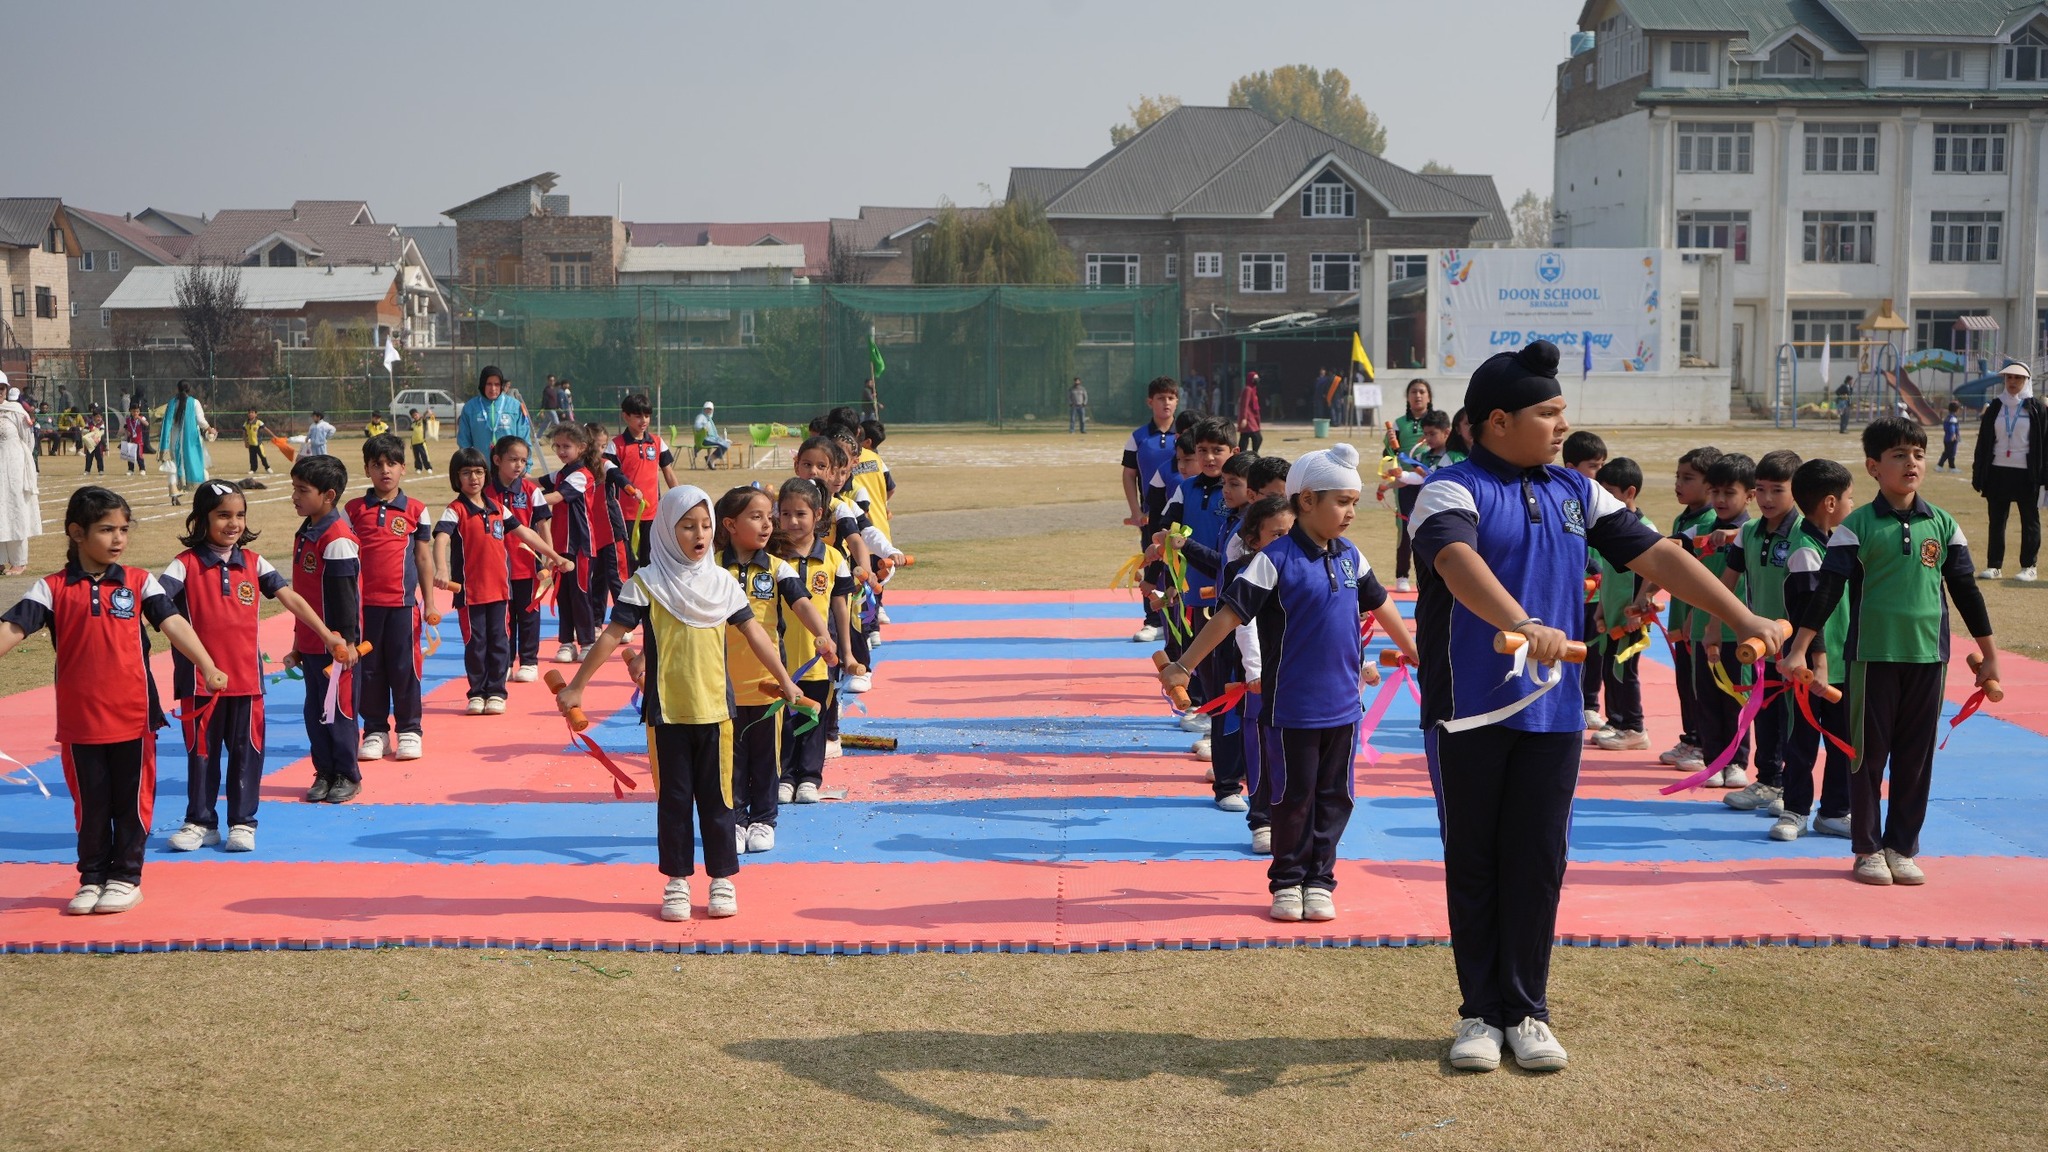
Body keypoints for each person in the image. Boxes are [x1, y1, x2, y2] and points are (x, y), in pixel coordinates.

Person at [1407, 340, 1778, 1074]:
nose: (1560, 426)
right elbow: (1458, 563)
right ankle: (1481, 1013)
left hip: (1554, 713)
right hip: (1471, 712)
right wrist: (1524, 621)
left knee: (1540, 860)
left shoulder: (1577, 490)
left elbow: (1658, 556)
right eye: (1547, 414)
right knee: (1475, 861)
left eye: (1561, 413)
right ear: (1498, 421)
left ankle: (1528, 1011)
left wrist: (1743, 618)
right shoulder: (1448, 488)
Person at [1163, 443, 1420, 923]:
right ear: (1306, 501)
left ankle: (1320, 880)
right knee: (1291, 797)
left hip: (1344, 708)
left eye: (1354, 503)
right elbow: (1229, 615)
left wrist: (1414, 648)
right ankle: (1287, 881)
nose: (1350, 513)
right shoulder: (1274, 558)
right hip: (1289, 709)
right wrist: (1185, 665)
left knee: (1335, 797)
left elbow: (1382, 603)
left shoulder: (1351, 556)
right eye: (1341, 502)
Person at [555, 486, 805, 921]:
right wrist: (577, 686)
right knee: (673, 802)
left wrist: (785, 680)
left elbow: (756, 634)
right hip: (666, 714)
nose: (699, 534)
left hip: (717, 714)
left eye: (706, 526)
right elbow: (612, 636)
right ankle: (677, 882)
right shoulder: (646, 585)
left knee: (719, 800)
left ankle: (722, 880)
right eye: (688, 526)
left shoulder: (722, 584)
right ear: (668, 532)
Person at [1783, 417, 2000, 886]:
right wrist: (1800, 649)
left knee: (1916, 758)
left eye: (1919, 454)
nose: (1912, 463)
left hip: (1928, 658)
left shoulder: (1943, 524)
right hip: (1872, 657)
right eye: (1900, 455)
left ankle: (1902, 846)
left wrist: (1990, 657)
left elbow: (1965, 592)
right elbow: (1827, 592)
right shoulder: (1854, 527)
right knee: (1867, 756)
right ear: (1874, 466)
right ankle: (1866, 849)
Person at [0, 487, 229, 915]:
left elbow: (174, 622)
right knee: (90, 806)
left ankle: (126, 877)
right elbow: (12, 630)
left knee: (130, 802)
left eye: (123, 529)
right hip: (79, 722)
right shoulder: (50, 588)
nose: (118, 538)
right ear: (76, 532)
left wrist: (206, 664)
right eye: (106, 529)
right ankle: (91, 878)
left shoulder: (141, 581)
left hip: (133, 718)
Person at [161, 480, 342, 855]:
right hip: (200, 685)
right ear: (202, 519)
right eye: (223, 515)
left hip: (247, 682)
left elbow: (291, 597)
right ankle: (200, 822)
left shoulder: (254, 562)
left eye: (240, 515)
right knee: (202, 756)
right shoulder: (185, 564)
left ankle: (242, 823)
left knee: (247, 755)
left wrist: (327, 635)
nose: (233, 523)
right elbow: (156, 606)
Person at [718, 484, 839, 850]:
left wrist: (823, 635)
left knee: (766, 758)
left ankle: (764, 819)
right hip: (720, 683)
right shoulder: (712, 566)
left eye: (769, 517)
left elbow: (803, 603)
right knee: (730, 757)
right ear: (730, 524)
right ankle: (736, 820)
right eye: (756, 517)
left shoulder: (776, 567)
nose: (768, 524)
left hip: (768, 682)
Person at [436, 447, 570, 715]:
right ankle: (477, 692)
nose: (473, 478)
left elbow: (526, 534)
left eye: (478, 472)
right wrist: (441, 569)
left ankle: (496, 691)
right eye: (466, 473)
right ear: (456, 477)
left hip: (500, 592)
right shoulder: (455, 510)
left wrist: (555, 556)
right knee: (476, 644)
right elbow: (440, 539)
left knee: (499, 642)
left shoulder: (499, 509)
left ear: (486, 474)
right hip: (471, 594)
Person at [1771, 457, 1856, 843]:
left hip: (1843, 661)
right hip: (1809, 666)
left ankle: (1836, 811)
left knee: (1843, 742)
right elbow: (1809, 610)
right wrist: (1816, 661)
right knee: (1802, 740)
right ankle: (1795, 810)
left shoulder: (1838, 544)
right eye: (1849, 498)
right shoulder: (1805, 548)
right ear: (1830, 503)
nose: (1853, 505)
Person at [1717, 449, 1803, 809]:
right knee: (1763, 711)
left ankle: (1792, 787)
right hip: (1759, 644)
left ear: (1796, 491)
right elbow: (1728, 581)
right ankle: (1767, 780)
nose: (1767, 499)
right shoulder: (1748, 532)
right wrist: (1712, 627)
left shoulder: (1804, 532)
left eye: (1777, 490)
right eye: (1761, 490)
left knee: (1794, 718)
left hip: (1797, 644)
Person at [346, 435, 435, 762]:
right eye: (377, 465)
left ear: (403, 468)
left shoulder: (417, 510)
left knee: (404, 668)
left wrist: (430, 603)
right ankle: (375, 731)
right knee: (369, 670)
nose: (385, 470)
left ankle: (410, 730)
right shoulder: (353, 510)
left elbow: (423, 559)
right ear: (367, 469)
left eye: (391, 464)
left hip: (402, 607)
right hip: (365, 610)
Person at [286, 454, 364, 804]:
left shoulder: (337, 539)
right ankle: (324, 770)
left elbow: (345, 597)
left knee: (340, 711)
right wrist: (299, 642)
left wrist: (345, 642)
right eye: (294, 489)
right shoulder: (307, 531)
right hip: (312, 642)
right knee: (316, 711)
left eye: (302, 490)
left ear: (328, 496)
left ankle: (347, 773)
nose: (295, 496)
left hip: (336, 646)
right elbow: (305, 595)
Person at [1683, 452, 1756, 787]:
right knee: (1707, 698)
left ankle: (1737, 761)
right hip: (1702, 629)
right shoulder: (1700, 530)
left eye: (1730, 493)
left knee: (1736, 699)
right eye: (1715, 492)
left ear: (1749, 495)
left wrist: (1732, 537)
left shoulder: (1754, 533)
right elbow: (1673, 557)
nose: (1721, 500)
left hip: (1738, 634)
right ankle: (1712, 762)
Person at [1587, 459, 1656, 752]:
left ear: (1630, 492)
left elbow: (1652, 575)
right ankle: (1616, 720)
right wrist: (1601, 609)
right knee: (1609, 670)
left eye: (1610, 491)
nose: (1604, 498)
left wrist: (1640, 611)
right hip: (1611, 612)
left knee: (1626, 671)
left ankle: (1635, 726)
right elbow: (1607, 574)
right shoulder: (1610, 530)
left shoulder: (1643, 528)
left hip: (1631, 617)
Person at [1970, 361, 2046, 582]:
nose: (2013, 382)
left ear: (2026, 381)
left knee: (2030, 520)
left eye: (2018, 378)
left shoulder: (2036, 408)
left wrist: (2045, 476)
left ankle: (2029, 566)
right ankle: (1994, 566)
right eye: (2009, 378)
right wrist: (1978, 473)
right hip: (1997, 471)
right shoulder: (1995, 406)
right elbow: (1983, 442)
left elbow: (2045, 443)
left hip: (2027, 473)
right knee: (1997, 521)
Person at [1121, 377, 1180, 642]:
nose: (1166, 402)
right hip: (1152, 515)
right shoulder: (1138, 437)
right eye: (1160, 398)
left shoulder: (1188, 435)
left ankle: (1179, 618)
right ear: (1150, 402)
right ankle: (1153, 621)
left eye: (1170, 397)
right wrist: (1136, 511)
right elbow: (1129, 474)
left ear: (1176, 401)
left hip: (1183, 516)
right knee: (1152, 562)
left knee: (1180, 566)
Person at [490, 436, 552, 682]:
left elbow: (542, 525)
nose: (518, 465)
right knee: (502, 619)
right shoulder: (486, 491)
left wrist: (549, 556)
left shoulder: (531, 491)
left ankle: (529, 661)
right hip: (497, 568)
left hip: (527, 567)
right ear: (497, 460)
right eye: (513, 459)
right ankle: (504, 662)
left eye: (523, 461)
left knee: (528, 615)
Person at [540, 422, 601, 663]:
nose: (561, 451)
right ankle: (566, 642)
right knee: (562, 594)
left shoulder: (582, 475)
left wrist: (524, 502)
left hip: (580, 546)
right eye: (558, 446)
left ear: (582, 447)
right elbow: (535, 482)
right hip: (559, 548)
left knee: (580, 594)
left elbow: (555, 497)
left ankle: (587, 642)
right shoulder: (561, 473)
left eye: (567, 446)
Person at [608, 393, 678, 571]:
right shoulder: (615, 445)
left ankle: (648, 597)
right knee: (628, 561)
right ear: (626, 416)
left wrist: (679, 496)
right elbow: (608, 477)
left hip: (653, 513)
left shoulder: (657, 442)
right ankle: (629, 597)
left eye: (647, 416)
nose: (643, 420)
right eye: (638, 416)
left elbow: (668, 472)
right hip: (625, 516)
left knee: (651, 560)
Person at [1385, 379, 1434, 592]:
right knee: (1405, 528)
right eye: (1414, 392)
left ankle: (1431, 576)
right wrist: (1389, 444)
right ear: (1408, 397)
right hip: (1404, 482)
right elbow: (1388, 454)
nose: (1418, 396)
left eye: (1422, 392)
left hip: (1430, 480)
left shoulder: (1436, 421)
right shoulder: (1398, 423)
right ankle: (1402, 575)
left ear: (1429, 397)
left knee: (1430, 527)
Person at [0, 382, 40, 575]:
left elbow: (28, 440)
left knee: (15, 508)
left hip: (14, 469)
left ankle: (19, 561)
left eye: (1, 388)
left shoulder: (16, 411)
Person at [456, 365, 532, 455]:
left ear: (501, 386)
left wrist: (526, 466)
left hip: (509, 466)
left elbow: (524, 440)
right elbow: (464, 443)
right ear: (482, 384)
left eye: (497, 384)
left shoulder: (515, 406)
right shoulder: (470, 407)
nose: (493, 389)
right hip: (481, 466)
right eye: (489, 384)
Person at [160, 380, 212, 504]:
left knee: (173, 466)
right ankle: (203, 494)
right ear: (189, 389)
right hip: (191, 442)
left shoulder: (172, 403)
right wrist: (210, 429)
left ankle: (174, 494)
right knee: (197, 464)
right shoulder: (194, 402)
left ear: (177, 389)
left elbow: (167, 423)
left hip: (174, 441)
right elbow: (200, 420)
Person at [694, 402, 731, 468]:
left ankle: (710, 459)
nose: (708, 411)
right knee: (724, 445)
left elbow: (713, 432)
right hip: (705, 439)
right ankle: (711, 459)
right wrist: (703, 428)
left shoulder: (709, 418)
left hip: (711, 439)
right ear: (704, 409)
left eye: (710, 409)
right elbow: (696, 426)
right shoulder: (701, 417)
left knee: (726, 443)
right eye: (707, 409)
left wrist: (720, 438)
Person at [1237, 371, 1263, 455]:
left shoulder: (1253, 389)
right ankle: (1252, 454)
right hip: (1249, 417)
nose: (1257, 380)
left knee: (1245, 436)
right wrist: (1244, 418)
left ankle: (1243, 454)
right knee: (1256, 437)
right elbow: (1244, 404)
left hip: (1253, 417)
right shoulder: (1248, 389)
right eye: (1255, 378)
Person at [122, 403, 150, 474]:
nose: (135, 413)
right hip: (131, 440)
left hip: (139, 441)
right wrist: (126, 434)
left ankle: (142, 469)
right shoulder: (128, 419)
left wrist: (139, 418)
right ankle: (131, 470)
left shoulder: (141, 418)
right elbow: (126, 428)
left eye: (137, 411)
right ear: (131, 411)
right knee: (130, 456)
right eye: (134, 411)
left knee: (139, 455)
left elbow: (147, 424)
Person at [243, 410, 273, 475]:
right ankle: (253, 469)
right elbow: (244, 433)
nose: (250, 414)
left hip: (258, 444)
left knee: (262, 456)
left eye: (252, 413)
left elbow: (266, 429)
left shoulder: (259, 422)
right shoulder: (246, 423)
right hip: (251, 444)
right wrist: (245, 442)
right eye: (249, 413)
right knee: (252, 458)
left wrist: (274, 436)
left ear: (256, 414)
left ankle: (267, 467)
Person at [79, 406, 107, 474]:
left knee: (99, 457)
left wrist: (96, 431)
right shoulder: (89, 423)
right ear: (93, 417)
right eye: (97, 417)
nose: (99, 418)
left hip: (98, 443)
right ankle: (87, 470)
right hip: (90, 443)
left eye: (100, 417)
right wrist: (89, 429)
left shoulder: (101, 423)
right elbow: (84, 431)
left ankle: (101, 470)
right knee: (89, 457)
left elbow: (102, 432)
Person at [1938, 401, 1962, 473]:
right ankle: (1952, 467)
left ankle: (1940, 466)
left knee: (1947, 453)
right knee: (1951, 453)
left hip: (1946, 438)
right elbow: (1952, 427)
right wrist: (1953, 435)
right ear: (1957, 409)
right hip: (1951, 439)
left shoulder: (1948, 417)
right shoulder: (1953, 418)